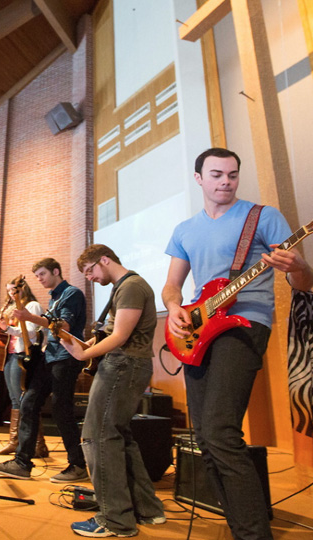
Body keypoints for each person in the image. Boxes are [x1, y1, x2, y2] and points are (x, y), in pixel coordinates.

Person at [163, 148, 313, 540]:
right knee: (206, 438)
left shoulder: (262, 216)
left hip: (245, 324)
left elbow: (304, 282)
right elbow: (171, 286)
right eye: (216, 175)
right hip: (198, 329)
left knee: (220, 430)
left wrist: (297, 267)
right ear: (199, 178)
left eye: (232, 175)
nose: (225, 182)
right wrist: (175, 307)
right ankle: (241, 525)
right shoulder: (184, 230)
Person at [60, 245, 165, 537]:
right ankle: (148, 509)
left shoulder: (131, 286)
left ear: (104, 260)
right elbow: (112, 334)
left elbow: (120, 337)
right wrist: (80, 345)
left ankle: (116, 520)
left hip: (123, 367)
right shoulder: (125, 287)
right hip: (127, 367)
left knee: (97, 437)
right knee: (119, 437)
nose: (90, 277)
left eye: (90, 270)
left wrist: (82, 355)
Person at [0, 258, 88, 482]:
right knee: (27, 403)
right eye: (37, 275)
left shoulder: (72, 293)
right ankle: (22, 463)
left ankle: (78, 464)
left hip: (66, 358)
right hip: (49, 356)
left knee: (62, 410)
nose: (39, 279)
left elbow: (65, 327)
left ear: (56, 271)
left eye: (42, 274)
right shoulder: (54, 298)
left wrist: (29, 318)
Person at [0, 275, 45, 456]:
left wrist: (6, 329)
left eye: (14, 290)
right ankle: (23, 442)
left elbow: (31, 333)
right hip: (9, 355)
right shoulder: (9, 308)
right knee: (16, 399)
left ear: (23, 289)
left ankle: (31, 443)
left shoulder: (31, 306)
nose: (11, 294)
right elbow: (8, 329)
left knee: (22, 399)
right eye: (9, 290)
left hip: (23, 355)